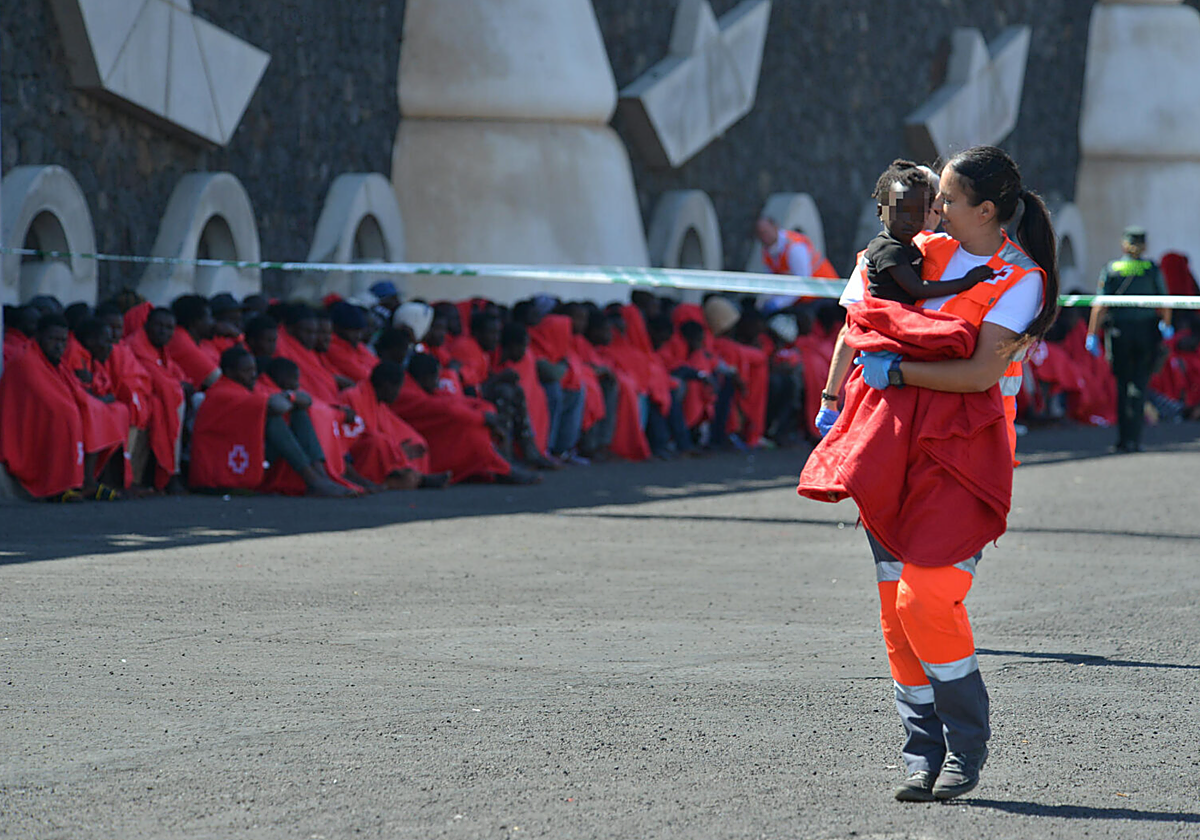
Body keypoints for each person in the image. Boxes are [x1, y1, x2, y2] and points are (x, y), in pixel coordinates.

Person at [802, 145, 1060, 802]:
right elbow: (855, 315)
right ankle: (923, 752)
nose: (934, 206)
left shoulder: (1021, 277)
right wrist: (834, 400)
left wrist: (900, 369)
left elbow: (977, 373)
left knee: (926, 599)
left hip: (968, 456)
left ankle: (966, 744)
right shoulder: (909, 250)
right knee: (896, 610)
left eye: (946, 197)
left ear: (985, 209)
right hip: (889, 446)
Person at [189, 347, 353, 496]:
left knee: (298, 412)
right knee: (272, 418)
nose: (253, 374)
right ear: (229, 372)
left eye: (254, 369)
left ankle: (320, 475)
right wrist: (290, 396)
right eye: (246, 370)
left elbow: (306, 400)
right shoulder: (224, 392)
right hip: (218, 468)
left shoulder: (247, 387)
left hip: (242, 454)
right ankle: (312, 479)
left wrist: (290, 397)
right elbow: (276, 405)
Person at [0, 313, 127, 500]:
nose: (59, 345)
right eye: (53, 339)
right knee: (66, 413)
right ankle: (56, 486)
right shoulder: (25, 358)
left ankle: (87, 481)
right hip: (25, 422)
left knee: (92, 410)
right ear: (39, 336)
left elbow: (74, 388)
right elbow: (44, 395)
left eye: (63, 340)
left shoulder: (55, 360)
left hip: (47, 411)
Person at [1085, 227, 1173, 453]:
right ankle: (1135, 439)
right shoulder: (1151, 269)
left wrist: (1092, 334)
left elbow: (1100, 306)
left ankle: (1123, 440)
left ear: (1124, 244)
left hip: (1119, 334)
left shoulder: (1112, 269)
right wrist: (1166, 325)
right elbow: (1165, 302)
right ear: (1144, 245)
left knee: (1123, 386)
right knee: (1140, 385)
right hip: (1146, 334)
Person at [864, 159, 994, 304]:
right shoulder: (887, 248)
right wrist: (966, 281)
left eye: (918, 213)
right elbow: (918, 289)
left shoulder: (912, 245)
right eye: (901, 211)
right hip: (884, 318)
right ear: (882, 210)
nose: (910, 220)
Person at [755, 216, 840, 312]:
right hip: (804, 296)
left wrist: (778, 303)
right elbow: (771, 280)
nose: (764, 236)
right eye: (760, 233)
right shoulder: (767, 251)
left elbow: (802, 282)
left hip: (825, 293)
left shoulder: (794, 247)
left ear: (775, 227)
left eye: (765, 232)